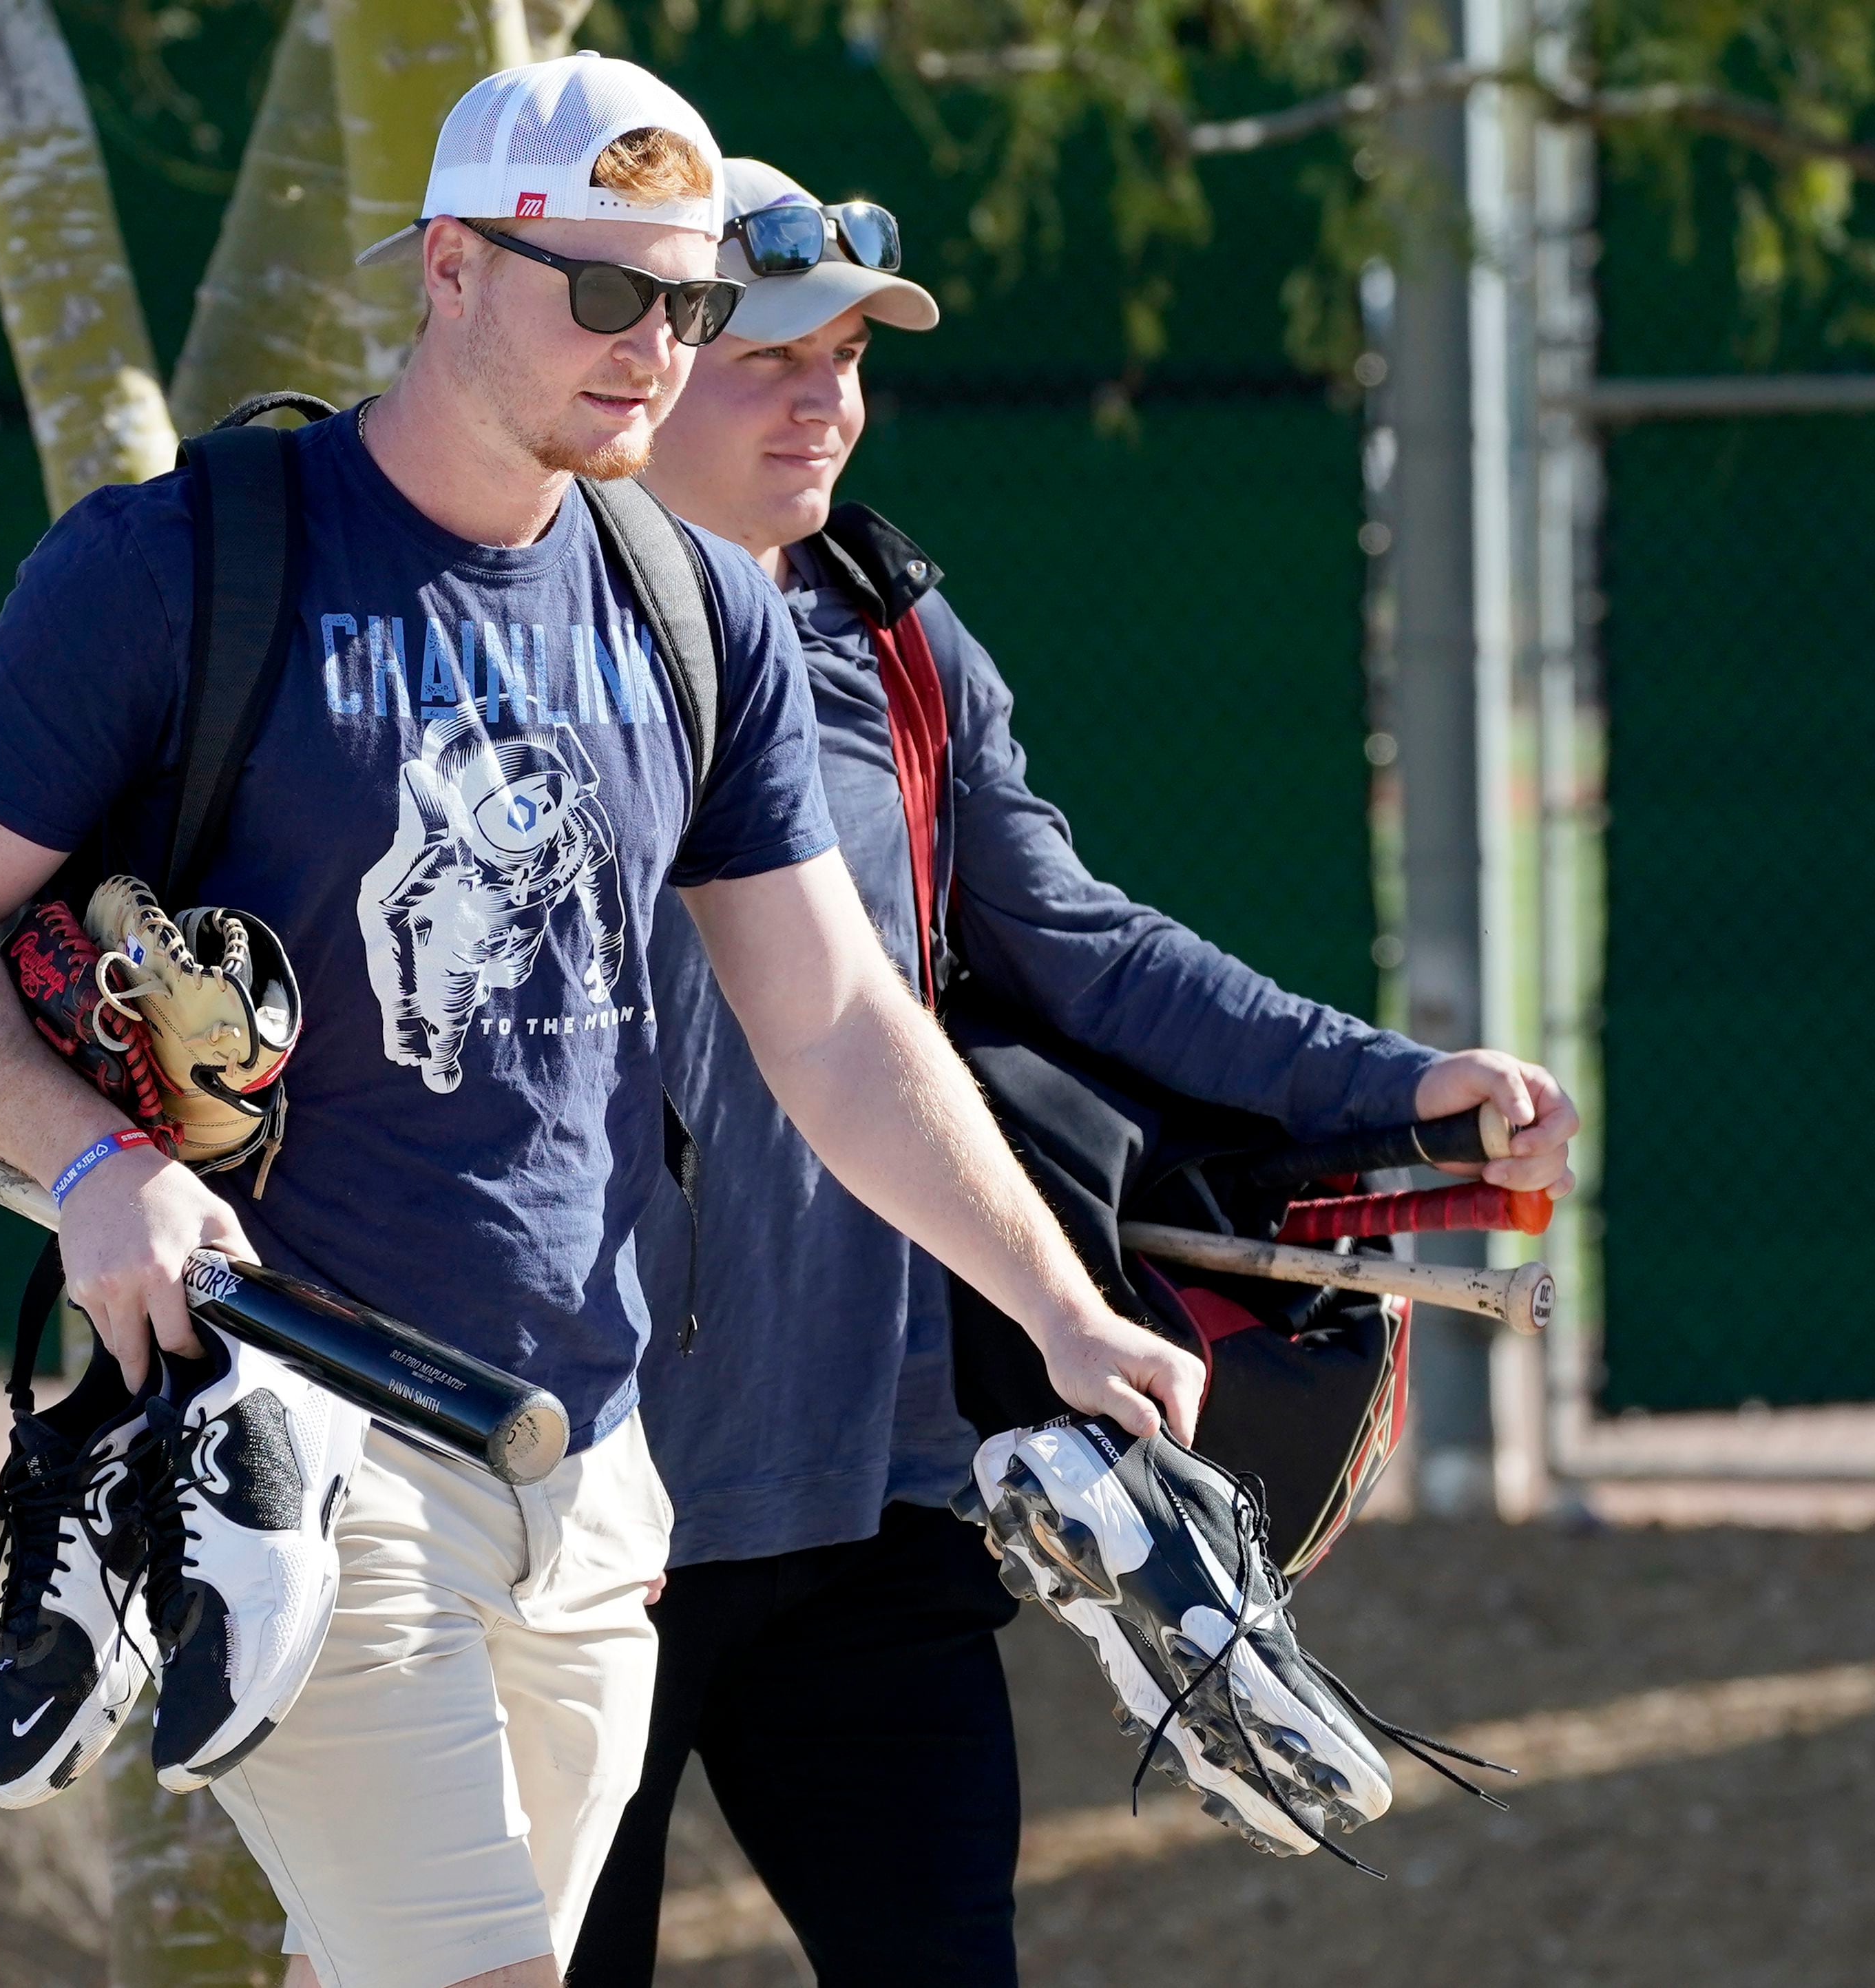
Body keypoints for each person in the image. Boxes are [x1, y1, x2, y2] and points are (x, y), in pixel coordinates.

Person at [0, 57, 1206, 1988]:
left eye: (694, 301)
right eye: (608, 292)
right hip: (291, 1435)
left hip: (589, 1452)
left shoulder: (688, 601)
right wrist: (96, 1162)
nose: (659, 348)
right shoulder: (182, 566)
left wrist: (1062, 1308)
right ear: (452, 269)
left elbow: (831, 1024)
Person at [568, 159, 1581, 1985]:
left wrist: (1395, 1084)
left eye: (850, 360)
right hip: (569, 1506)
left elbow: (1077, 939)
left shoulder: (886, 629)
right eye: (774, 359)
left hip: (875, 1496)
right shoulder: (496, 634)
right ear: (642, 361)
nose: (824, 400)